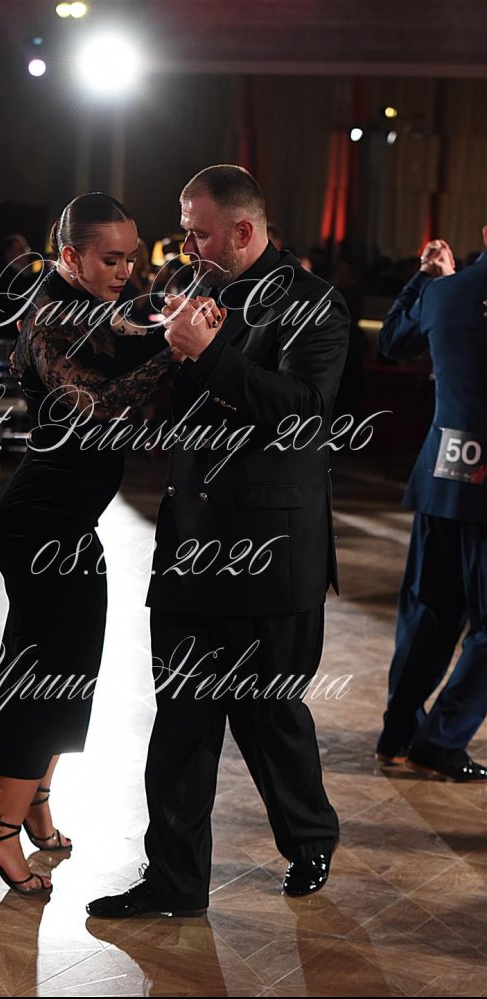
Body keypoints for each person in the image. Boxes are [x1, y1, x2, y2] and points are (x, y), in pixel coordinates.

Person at [87, 164, 350, 919]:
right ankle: (174, 880)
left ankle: (310, 838)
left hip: (272, 547)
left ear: (242, 230)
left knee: (269, 715)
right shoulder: (193, 290)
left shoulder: (313, 302)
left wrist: (209, 353)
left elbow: (304, 412)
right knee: (181, 719)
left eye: (199, 234)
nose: (188, 247)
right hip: (192, 539)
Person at [0, 192, 179, 896]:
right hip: (39, 523)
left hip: (71, 522)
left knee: (73, 665)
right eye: (111, 259)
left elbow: (139, 332)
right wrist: (175, 350)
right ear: (69, 256)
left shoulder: (96, 306)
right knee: (41, 671)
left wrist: (175, 316)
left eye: (132, 257)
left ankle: (36, 804)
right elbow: (102, 402)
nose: (126, 270)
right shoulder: (51, 316)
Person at [374, 230, 487, 781]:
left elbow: (393, 341)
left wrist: (425, 278)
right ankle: (439, 741)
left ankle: (398, 733)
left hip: (444, 473)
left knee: (428, 613)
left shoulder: (445, 292)